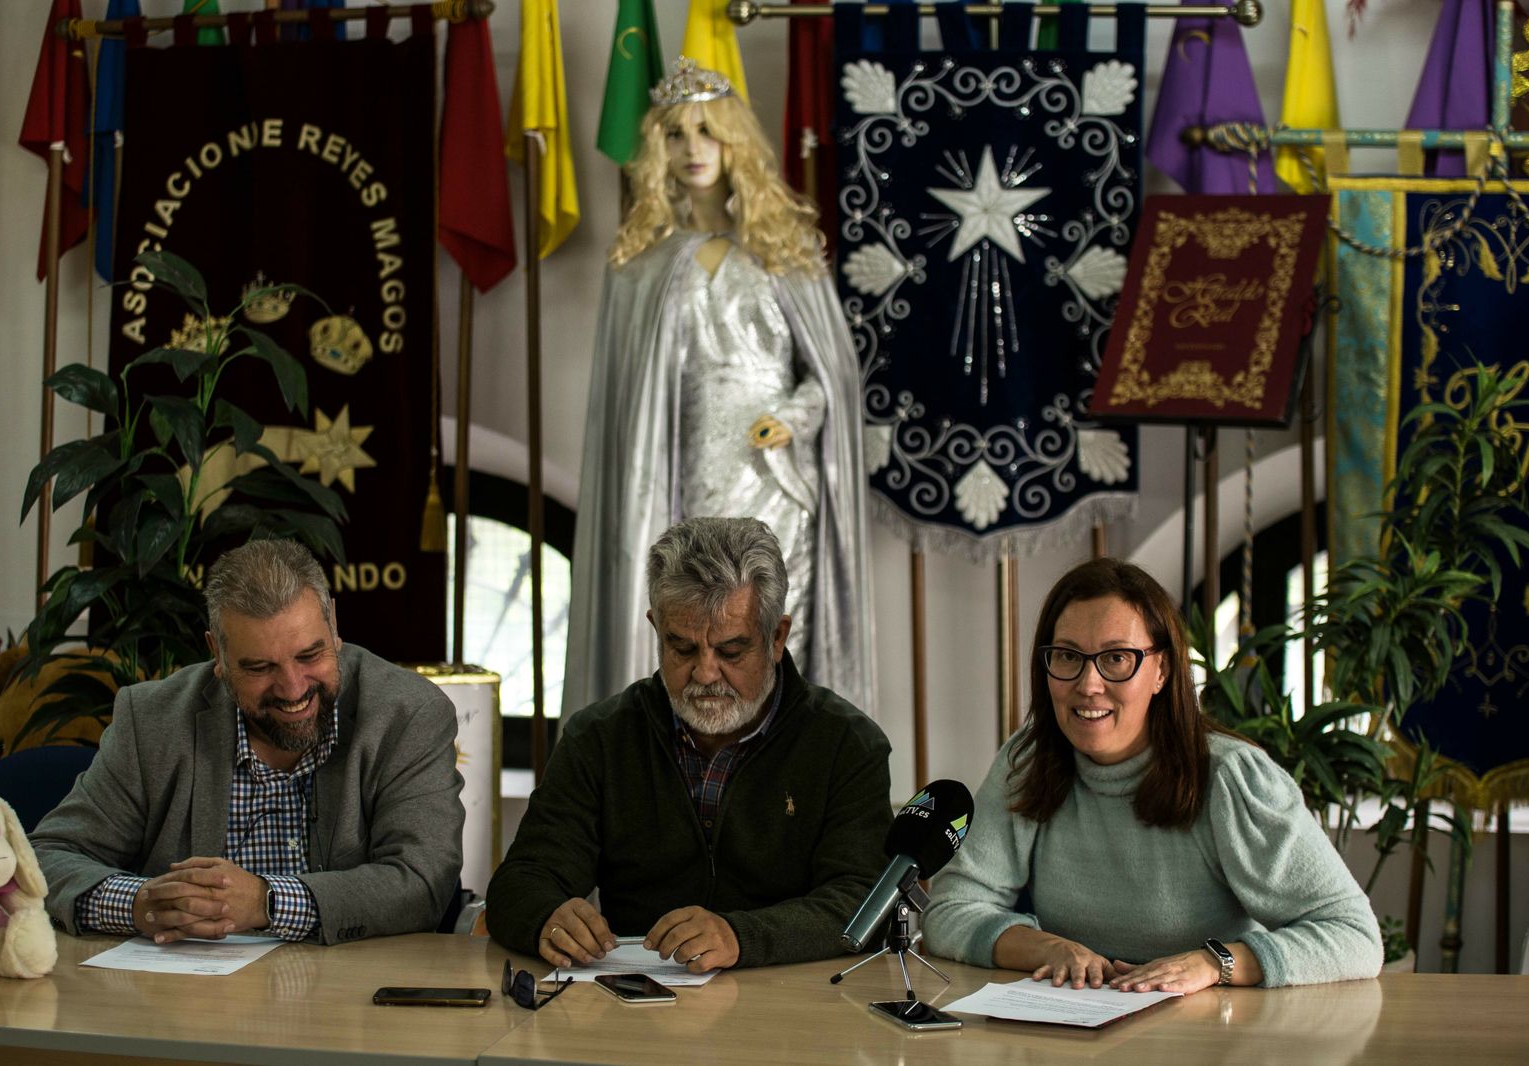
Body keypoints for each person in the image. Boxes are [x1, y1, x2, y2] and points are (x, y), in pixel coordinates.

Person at [563, 57, 876, 723]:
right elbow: (632, 407)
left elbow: (833, 381)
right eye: (676, 134)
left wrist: (794, 416)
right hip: (678, 485)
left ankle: (788, 790)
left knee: (768, 634)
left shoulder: (786, 252)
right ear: (658, 150)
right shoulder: (639, 266)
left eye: (707, 131)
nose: (692, 149)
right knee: (694, 634)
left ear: (734, 141)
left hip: (775, 482)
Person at [922, 557, 1383, 991]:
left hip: (1210, 1034)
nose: (1088, 684)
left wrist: (1213, 963)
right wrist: (1049, 948)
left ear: (1161, 670)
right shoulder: (1026, 763)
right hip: (1073, 1028)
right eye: (1067, 656)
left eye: (1117, 658)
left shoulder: (1231, 777)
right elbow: (950, 911)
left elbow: (1354, 935)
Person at [487, 517, 891, 971]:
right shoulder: (600, 738)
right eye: (680, 648)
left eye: (731, 652)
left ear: (777, 638)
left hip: (793, 1004)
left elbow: (862, 902)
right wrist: (546, 917)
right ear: (655, 627)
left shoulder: (845, 743)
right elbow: (521, 881)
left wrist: (741, 936)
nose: (704, 674)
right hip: (637, 1004)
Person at [32, 539, 464, 945]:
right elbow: (48, 856)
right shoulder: (153, 721)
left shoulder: (407, 714)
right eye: (260, 667)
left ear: (333, 626)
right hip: (183, 1006)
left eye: (310, 656)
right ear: (216, 654)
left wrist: (265, 902)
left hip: (347, 1003)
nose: (293, 688)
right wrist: (140, 904)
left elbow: (423, 883)